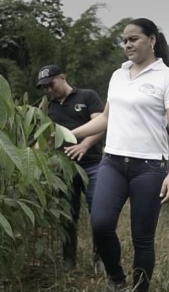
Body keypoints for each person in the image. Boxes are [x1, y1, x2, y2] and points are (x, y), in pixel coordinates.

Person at [72, 18, 169, 292]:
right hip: (112, 162)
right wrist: (69, 134)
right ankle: (117, 280)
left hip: (149, 168)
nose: (127, 44)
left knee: (143, 239)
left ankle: (139, 289)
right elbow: (107, 118)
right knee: (100, 224)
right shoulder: (118, 75)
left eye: (133, 38)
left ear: (152, 40)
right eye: (124, 40)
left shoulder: (168, 77)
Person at [36, 64, 105, 271]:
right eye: (44, 87)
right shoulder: (48, 107)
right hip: (64, 169)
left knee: (99, 214)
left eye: (51, 84)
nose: (49, 89)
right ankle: (68, 260)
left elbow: (102, 123)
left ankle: (100, 259)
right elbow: (44, 138)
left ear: (63, 77)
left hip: (93, 165)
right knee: (68, 215)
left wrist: (84, 145)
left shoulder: (87, 96)